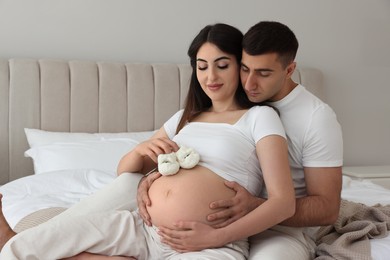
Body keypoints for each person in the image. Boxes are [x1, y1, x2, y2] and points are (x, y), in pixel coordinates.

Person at [0, 23, 295, 260]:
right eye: (202, 66)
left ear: (239, 66)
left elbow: (284, 203)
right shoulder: (184, 118)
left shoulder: (259, 117)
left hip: (209, 244)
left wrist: (214, 237)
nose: (210, 76)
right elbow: (124, 172)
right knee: (18, 251)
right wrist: (141, 150)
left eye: (222, 65)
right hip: (142, 228)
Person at [152, 21, 343, 259]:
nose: (250, 83)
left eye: (263, 73)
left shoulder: (316, 117)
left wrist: (256, 205)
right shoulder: (230, 104)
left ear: (289, 70)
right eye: (244, 69)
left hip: (280, 228)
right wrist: (147, 181)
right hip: (216, 222)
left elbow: (327, 209)